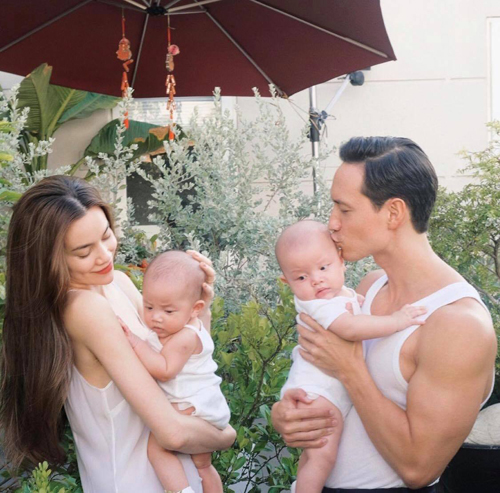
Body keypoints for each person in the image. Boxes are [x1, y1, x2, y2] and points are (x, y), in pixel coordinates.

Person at [271, 137, 497, 492]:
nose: (332, 224)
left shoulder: (459, 324)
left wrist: (349, 368)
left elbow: (418, 468)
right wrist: (289, 414)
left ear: (393, 213)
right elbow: (328, 389)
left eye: (344, 210)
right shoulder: (369, 288)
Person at [0, 175, 235, 493]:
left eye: (106, 235)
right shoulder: (84, 308)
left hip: (177, 477)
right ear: (49, 260)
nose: (104, 255)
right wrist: (225, 435)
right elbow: (173, 433)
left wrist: (199, 310)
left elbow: (178, 363)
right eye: (83, 251)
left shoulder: (118, 284)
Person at [275, 220, 427, 493]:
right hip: (318, 392)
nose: (316, 279)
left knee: (313, 456)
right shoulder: (318, 305)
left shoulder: (343, 294)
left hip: (320, 389)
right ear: (287, 282)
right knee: (322, 457)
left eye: (323, 268)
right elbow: (351, 328)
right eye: (301, 278)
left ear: (341, 261)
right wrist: (396, 320)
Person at [121, 250, 230, 493]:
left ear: (195, 308)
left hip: (192, 403)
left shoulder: (185, 337)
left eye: (168, 311)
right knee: (203, 465)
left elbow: (165, 370)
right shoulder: (188, 326)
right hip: (206, 405)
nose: (156, 317)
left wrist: (134, 342)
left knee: (157, 448)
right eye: (149, 306)